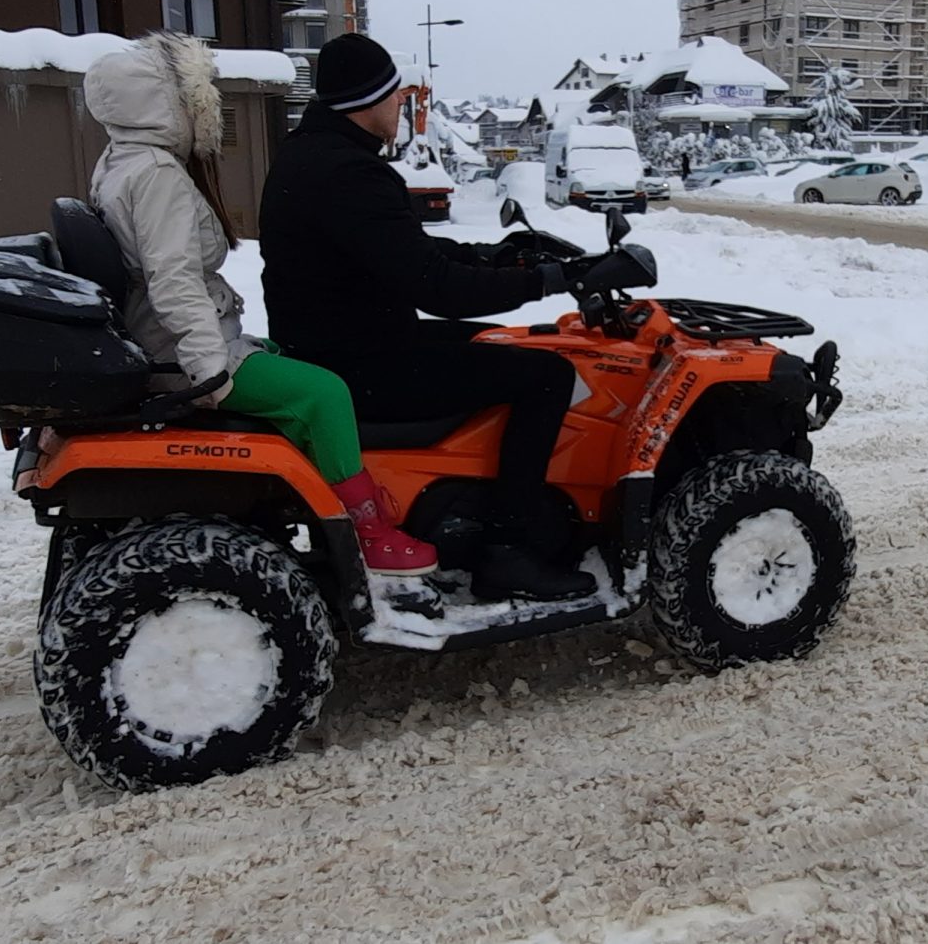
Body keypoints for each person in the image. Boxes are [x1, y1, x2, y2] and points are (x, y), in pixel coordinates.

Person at [84, 33, 436, 577]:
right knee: (325, 393)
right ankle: (368, 530)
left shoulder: (121, 162)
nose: (208, 108)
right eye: (198, 96)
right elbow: (173, 280)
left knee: (295, 364)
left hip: (167, 338)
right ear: (167, 103)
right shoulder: (157, 176)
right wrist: (209, 371)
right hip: (182, 352)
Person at [260, 33, 595, 603]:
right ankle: (508, 549)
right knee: (547, 375)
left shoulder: (312, 155)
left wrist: (498, 256)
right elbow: (438, 289)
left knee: (493, 339)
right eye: (397, 95)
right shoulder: (350, 173)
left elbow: (400, 253)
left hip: (341, 341)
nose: (403, 105)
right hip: (361, 363)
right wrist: (549, 281)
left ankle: (474, 495)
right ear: (368, 100)